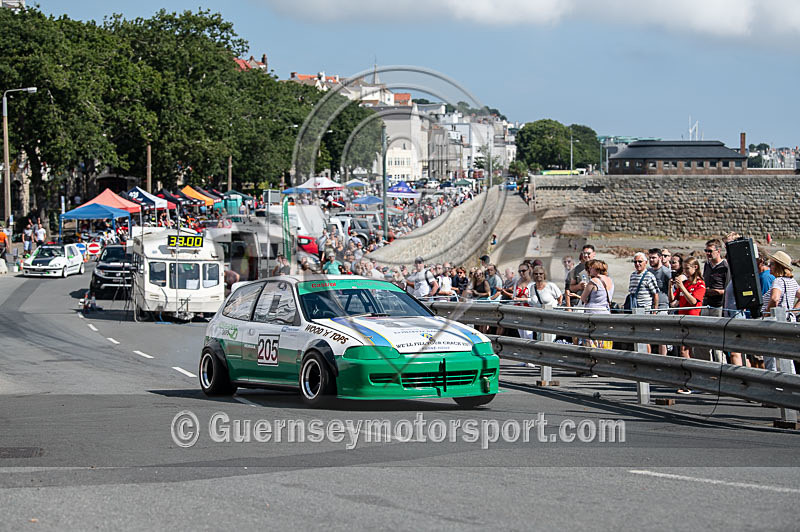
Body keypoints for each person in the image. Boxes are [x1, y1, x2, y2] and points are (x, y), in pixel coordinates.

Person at [669, 256, 706, 393]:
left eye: (687, 269)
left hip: (692, 319)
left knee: (686, 350)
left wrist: (682, 287)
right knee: (684, 350)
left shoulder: (700, 284)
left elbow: (693, 302)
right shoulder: (685, 284)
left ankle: (689, 382)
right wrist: (671, 285)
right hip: (681, 319)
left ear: (695, 268)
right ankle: (689, 380)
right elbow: (673, 301)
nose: (684, 271)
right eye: (683, 269)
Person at [762, 251, 799, 372]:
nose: (769, 266)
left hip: (774, 323)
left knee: (771, 357)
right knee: (786, 357)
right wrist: (793, 312)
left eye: (771, 264)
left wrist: (767, 313)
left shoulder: (778, 281)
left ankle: (774, 385)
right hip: (787, 321)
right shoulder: (792, 282)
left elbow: (774, 298)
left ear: (778, 266)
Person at [647, 247, 672, 355]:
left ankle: (663, 358)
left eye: (654, 258)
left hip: (662, 306)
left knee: (662, 335)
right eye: (650, 258)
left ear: (660, 258)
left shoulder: (666, 272)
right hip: (650, 306)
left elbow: (672, 289)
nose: (651, 260)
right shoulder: (648, 271)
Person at [513, 263, 534, 339]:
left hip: (528, 311)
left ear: (529, 270)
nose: (521, 273)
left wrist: (521, 299)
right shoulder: (517, 282)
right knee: (521, 334)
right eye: (519, 271)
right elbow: (514, 296)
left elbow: (533, 299)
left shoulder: (532, 283)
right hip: (518, 311)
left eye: (524, 271)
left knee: (528, 334)